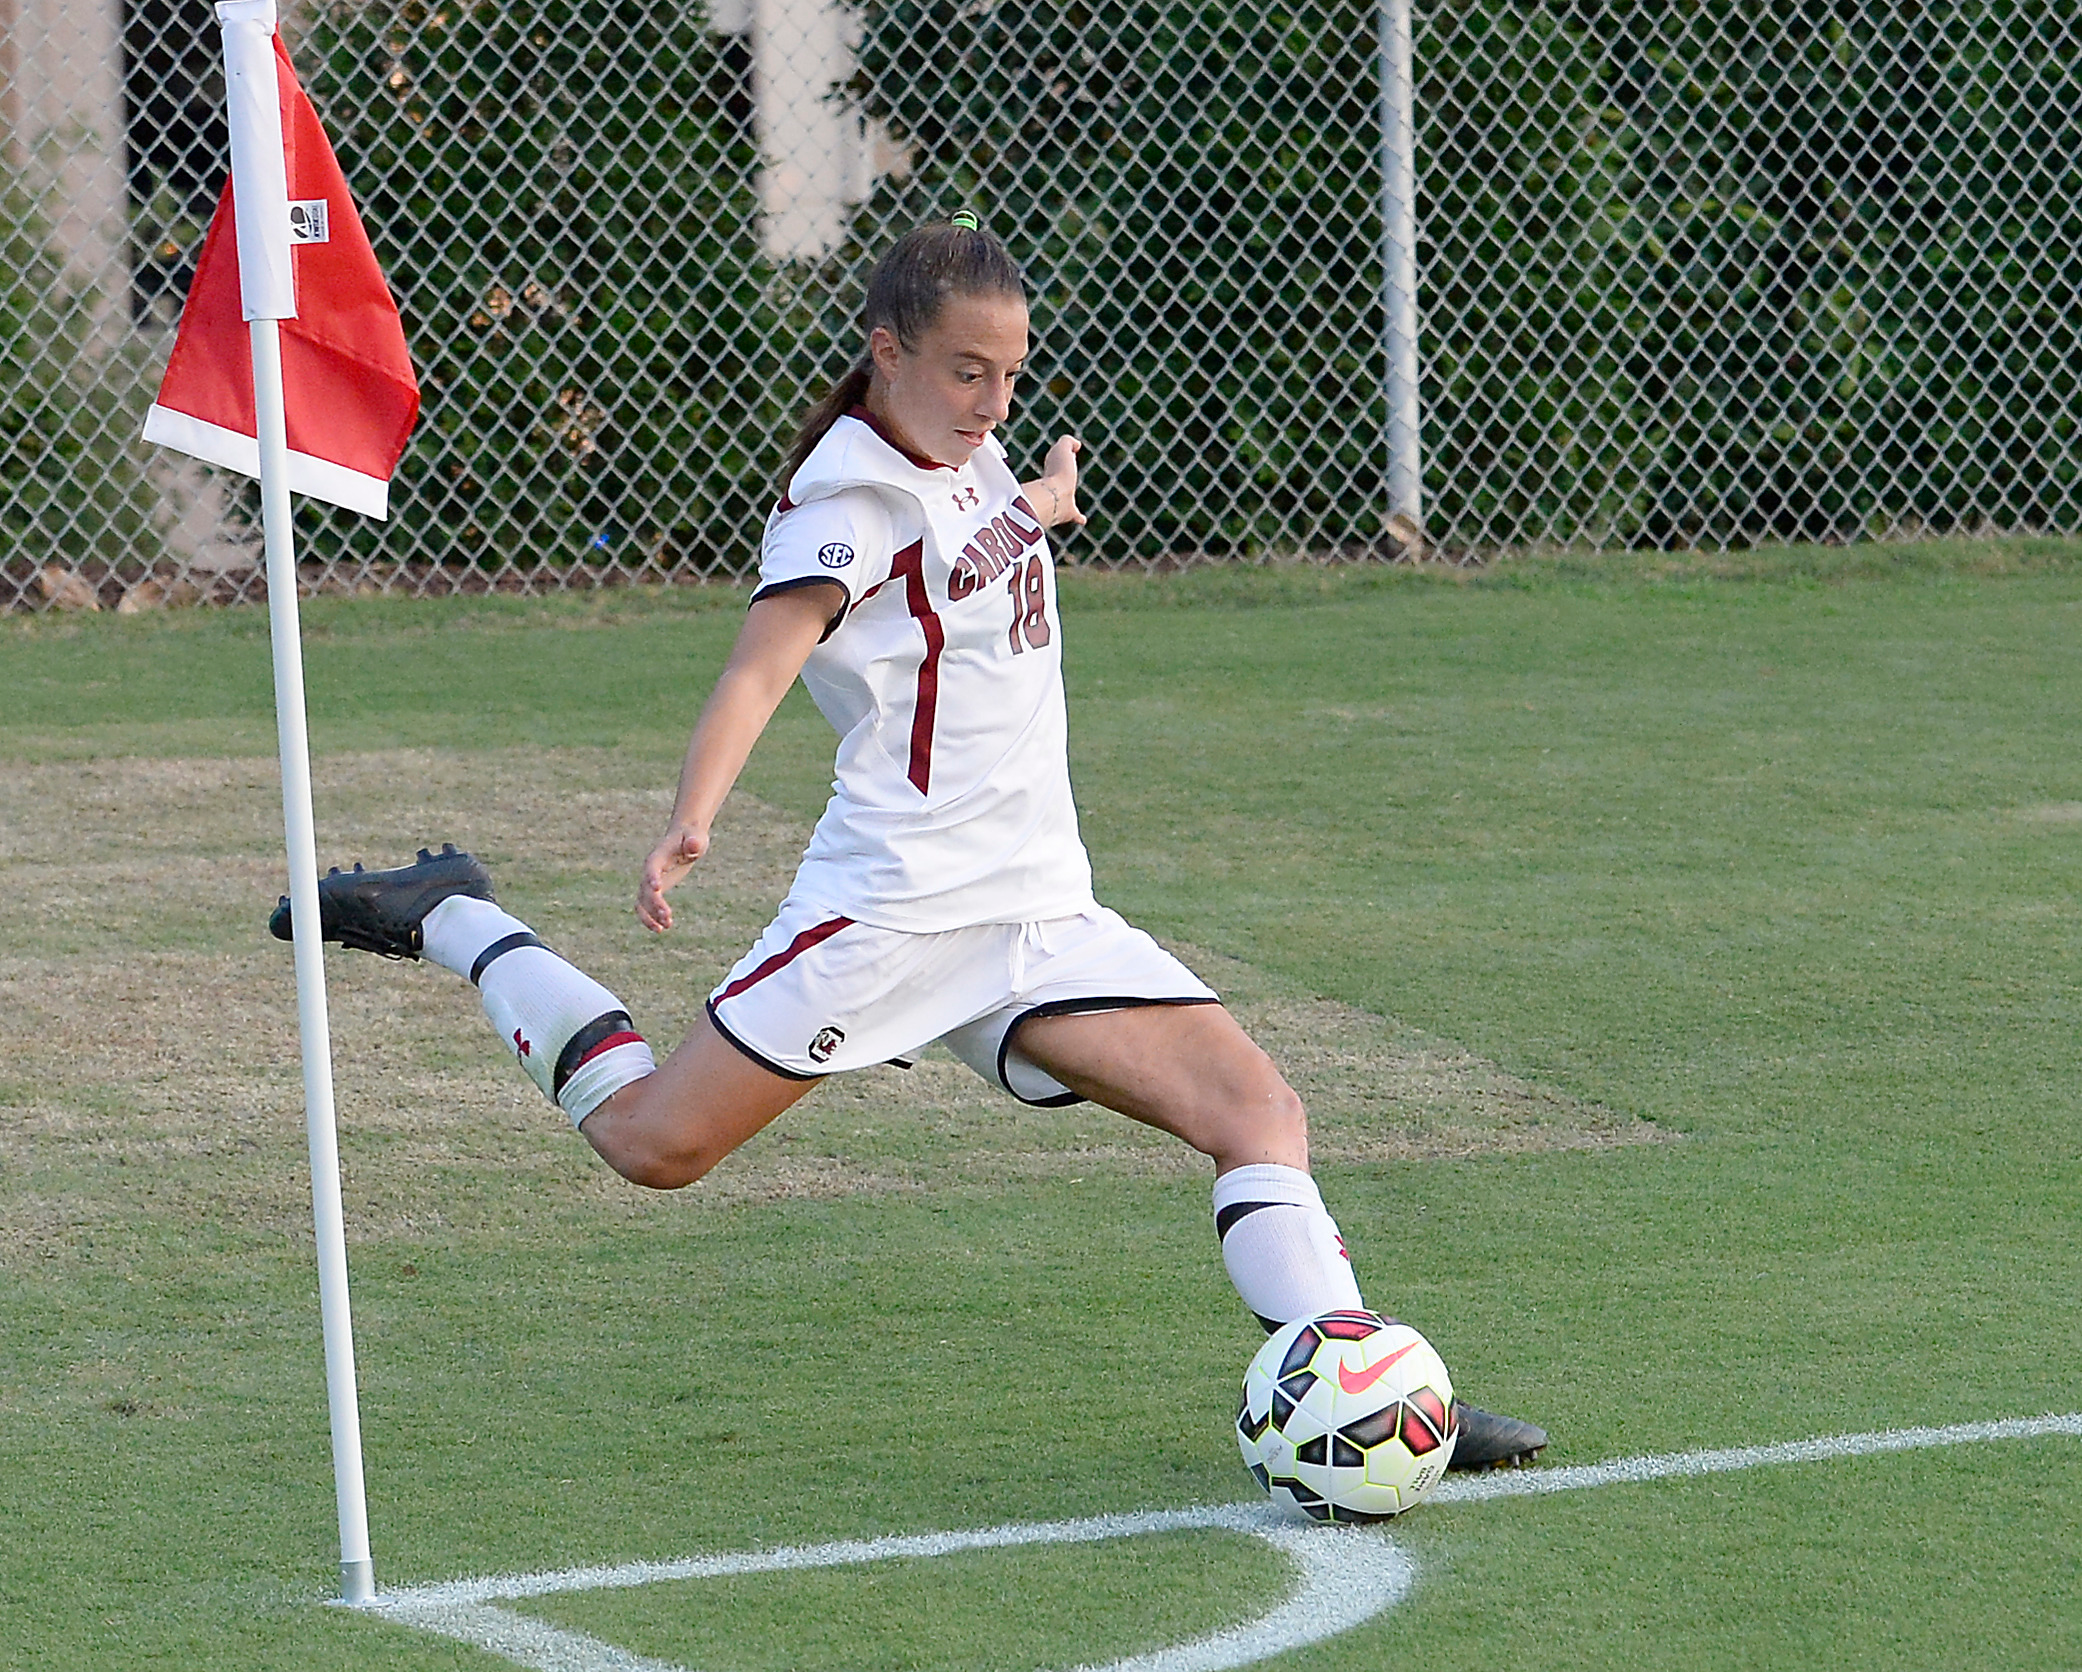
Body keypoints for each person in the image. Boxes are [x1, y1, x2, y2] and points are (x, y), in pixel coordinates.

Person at [273, 216, 1546, 1471]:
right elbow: (759, 670)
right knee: (653, 1145)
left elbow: (985, 537)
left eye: (1009, 375)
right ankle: (457, 914)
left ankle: (1372, 1401)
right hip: (894, 909)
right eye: (964, 371)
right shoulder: (850, 502)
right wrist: (693, 813)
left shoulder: (967, 453)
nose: (990, 401)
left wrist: (1042, 499)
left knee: (1258, 1110)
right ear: (887, 352)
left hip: (1038, 909)